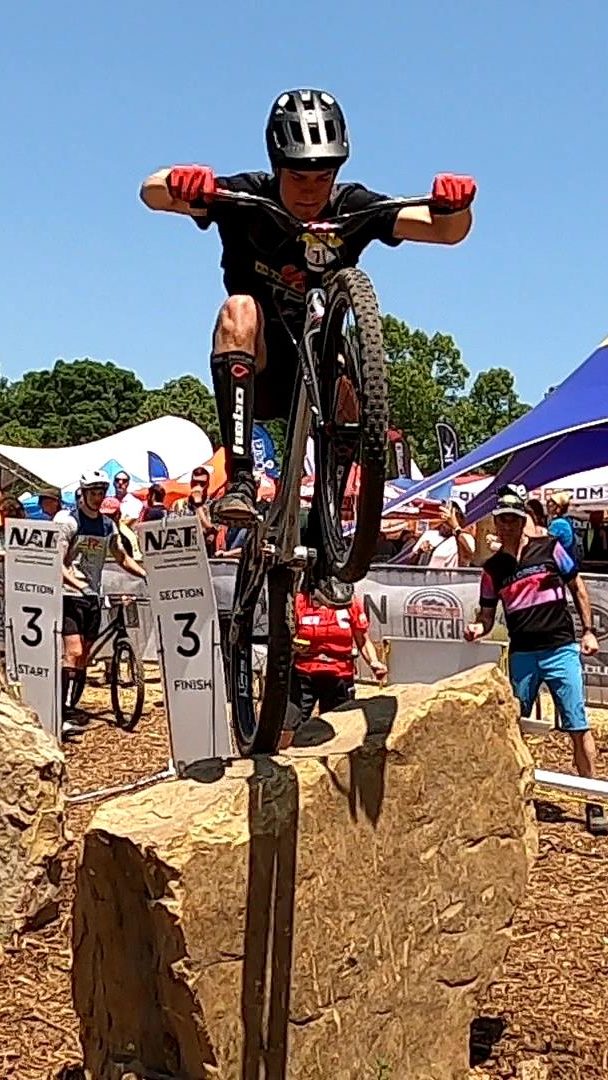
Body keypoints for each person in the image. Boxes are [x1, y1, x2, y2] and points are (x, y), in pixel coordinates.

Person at [140, 88, 476, 525]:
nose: (311, 191)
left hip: (322, 367)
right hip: (258, 366)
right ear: (277, 167)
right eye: (298, 178)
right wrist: (179, 180)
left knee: (348, 380)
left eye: (323, 178)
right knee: (239, 307)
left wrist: (457, 205)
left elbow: (446, 232)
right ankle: (241, 481)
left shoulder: (351, 206)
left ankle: (330, 516)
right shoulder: (246, 197)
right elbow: (152, 193)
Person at [464, 486, 607, 836]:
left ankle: (594, 802)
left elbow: (579, 588)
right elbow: (486, 615)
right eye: (503, 520)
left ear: (524, 521)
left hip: (561, 649)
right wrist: (476, 629)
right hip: (523, 654)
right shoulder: (493, 569)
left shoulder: (550, 549)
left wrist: (588, 630)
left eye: (515, 519)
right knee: (516, 727)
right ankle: (515, 795)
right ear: (496, 524)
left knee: (578, 725)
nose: (509, 525)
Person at [56, 470, 146, 738]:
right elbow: (58, 563)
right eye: (92, 493)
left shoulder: (108, 526)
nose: (97, 498)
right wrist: (77, 585)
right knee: (72, 652)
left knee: (84, 656)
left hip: (92, 596)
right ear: (83, 494)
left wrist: (145, 574)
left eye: (100, 493)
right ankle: (59, 712)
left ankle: (72, 707)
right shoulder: (70, 523)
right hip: (69, 595)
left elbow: (121, 557)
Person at [284, 577, 387, 745]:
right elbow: (286, 636)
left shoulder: (350, 603)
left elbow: (363, 639)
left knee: (340, 729)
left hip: (339, 674)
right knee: (289, 726)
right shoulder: (301, 600)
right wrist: (294, 646)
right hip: (304, 673)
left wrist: (374, 662)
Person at [410, 497, 475, 568]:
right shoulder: (429, 534)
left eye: (453, 513)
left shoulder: (465, 538)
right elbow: (411, 562)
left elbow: (468, 555)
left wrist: (455, 526)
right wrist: (419, 552)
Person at [546, 490, 578, 562]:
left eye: (553, 502)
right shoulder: (565, 521)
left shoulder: (558, 524)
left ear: (558, 507)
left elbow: (547, 544)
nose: (549, 504)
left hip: (559, 563)